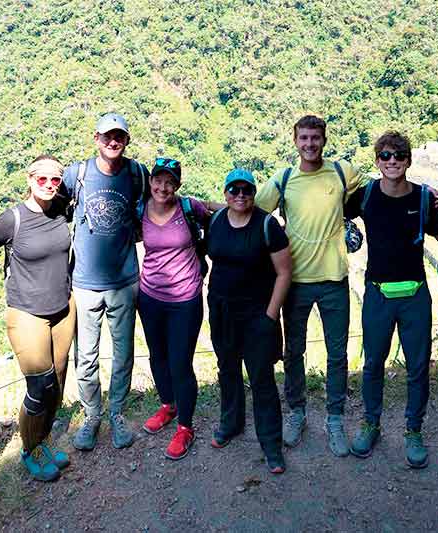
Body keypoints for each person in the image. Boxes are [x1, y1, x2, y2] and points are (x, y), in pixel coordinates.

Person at [254, 115, 368, 457]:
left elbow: (379, 189)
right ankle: (297, 411)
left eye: (315, 138)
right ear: (295, 140)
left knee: (338, 354)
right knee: (294, 351)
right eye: (304, 138)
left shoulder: (341, 172)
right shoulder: (284, 179)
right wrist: (200, 209)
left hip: (334, 278)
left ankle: (334, 419)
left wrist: (429, 196)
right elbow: (250, 209)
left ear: (324, 139)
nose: (309, 144)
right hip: (297, 280)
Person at [344, 131, 438, 468]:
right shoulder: (366, 195)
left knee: (418, 366)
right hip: (377, 292)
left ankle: (413, 430)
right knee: (373, 363)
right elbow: (332, 207)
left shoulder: (423, 199)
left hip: (415, 292)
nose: (392, 161)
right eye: (385, 156)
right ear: (377, 160)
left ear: (408, 160)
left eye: (399, 155)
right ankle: (371, 424)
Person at [63, 113, 149, 451]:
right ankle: (92, 415)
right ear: (96, 138)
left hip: (125, 279)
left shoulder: (136, 173)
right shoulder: (77, 174)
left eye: (119, 137)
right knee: (86, 356)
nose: (113, 142)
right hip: (84, 283)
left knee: (123, 353)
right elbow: (52, 203)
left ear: (126, 140)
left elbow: (156, 201)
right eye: (107, 137)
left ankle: (116, 412)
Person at [0, 155, 75, 481]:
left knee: (59, 380)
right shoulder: (12, 219)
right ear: (30, 179)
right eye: (43, 180)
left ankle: (44, 439)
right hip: (27, 313)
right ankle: (30, 448)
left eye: (56, 180)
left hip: (64, 308)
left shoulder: (61, 208)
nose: (50, 186)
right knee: (40, 385)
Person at [207, 169, 291, 474]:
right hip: (221, 310)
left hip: (257, 314)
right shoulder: (216, 221)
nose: (240, 195)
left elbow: (284, 273)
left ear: (254, 194)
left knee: (262, 379)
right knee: (227, 369)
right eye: (234, 190)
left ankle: (271, 444)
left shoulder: (267, 225)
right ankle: (231, 424)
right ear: (226, 193)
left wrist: (270, 316)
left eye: (246, 190)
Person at [136, 158, 209, 460]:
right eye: (158, 180)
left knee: (180, 363)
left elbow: (219, 218)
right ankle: (168, 405)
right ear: (150, 182)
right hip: (150, 295)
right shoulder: (140, 209)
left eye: (169, 182)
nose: (162, 187)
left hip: (184, 298)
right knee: (158, 357)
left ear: (177, 185)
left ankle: (185, 427)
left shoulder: (189, 208)